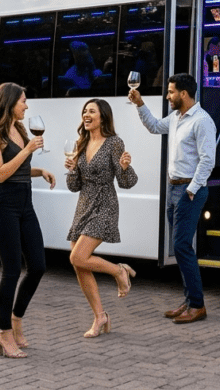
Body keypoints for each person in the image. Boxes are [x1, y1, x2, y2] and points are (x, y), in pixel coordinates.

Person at [0, 83, 56, 358]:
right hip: (3, 207)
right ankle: (3, 333)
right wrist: (28, 149)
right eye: (23, 101)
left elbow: (19, 167)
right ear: (9, 102)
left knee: (38, 266)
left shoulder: (20, 130)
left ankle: (16, 319)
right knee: (11, 271)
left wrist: (39, 170)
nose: (26, 105)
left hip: (25, 204)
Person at [129, 73, 214, 324]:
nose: (167, 96)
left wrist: (192, 189)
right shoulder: (177, 117)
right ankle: (189, 301)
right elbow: (155, 126)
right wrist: (139, 104)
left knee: (181, 246)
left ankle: (197, 305)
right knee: (180, 247)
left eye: (171, 92)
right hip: (174, 188)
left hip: (189, 190)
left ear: (184, 94)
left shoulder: (202, 121)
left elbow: (207, 160)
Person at [65, 98, 138, 338]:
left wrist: (125, 167)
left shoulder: (114, 143)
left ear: (103, 117)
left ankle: (119, 271)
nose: (86, 115)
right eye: (84, 111)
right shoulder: (81, 142)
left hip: (105, 204)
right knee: (79, 263)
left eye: (92, 111)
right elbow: (74, 186)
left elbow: (126, 183)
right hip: (83, 205)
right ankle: (100, 317)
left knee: (78, 256)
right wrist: (71, 169)